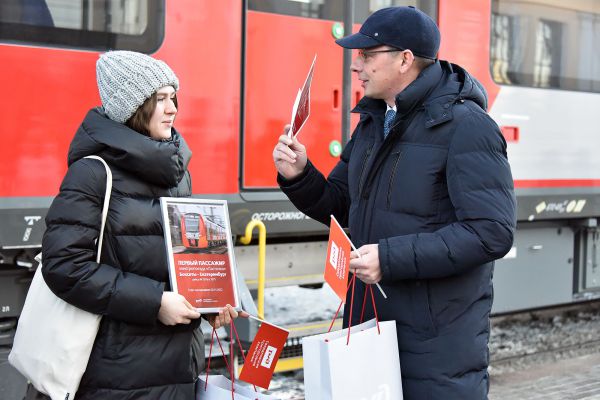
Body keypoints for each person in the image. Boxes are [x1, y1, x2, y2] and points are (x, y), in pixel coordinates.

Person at [273, 6, 516, 400]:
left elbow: (491, 232)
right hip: (372, 327)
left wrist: (390, 258)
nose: (357, 66)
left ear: (405, 59)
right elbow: (339, 203)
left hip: (434, 345)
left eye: (368, 55)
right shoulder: (373, 122)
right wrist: (299, 175)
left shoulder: (468, 127)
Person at [29, 51, 243, 400]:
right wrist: (154, 301)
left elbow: (181, 261)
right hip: (117, 374)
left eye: (173, 97)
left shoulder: (178, 175)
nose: (172, 108)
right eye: (160, 99)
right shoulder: (92, 173)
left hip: (176, 369)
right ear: (132, 107)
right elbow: (64, 266)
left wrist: (209, 301)